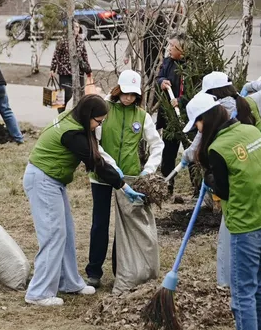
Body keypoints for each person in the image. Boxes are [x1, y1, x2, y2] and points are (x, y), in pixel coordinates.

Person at [24, 94, 146, 307]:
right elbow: (95, 162)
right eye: (98, 121)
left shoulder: (76, 120)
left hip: (53, 180)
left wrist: (112, 166)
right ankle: (38, 292)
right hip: (42, 180)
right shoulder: (71, 133)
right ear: (88, 115)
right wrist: (123, 185)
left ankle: (69, 282)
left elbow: (97, 151)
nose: (99, 125)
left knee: (67, 232)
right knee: (53, 235)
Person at [190, 92, 261, 330]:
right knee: (256, 288)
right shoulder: (249, 128)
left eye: (197, 123)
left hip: (246, 225)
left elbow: (224, 191)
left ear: (207, 119)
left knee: (242, 293)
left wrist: (209, 177)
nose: (197, 129)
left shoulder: (217, 148)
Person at [181, 71, 261, 294]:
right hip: (258, 170)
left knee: (233, 231)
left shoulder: (217, 118)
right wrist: (252, 85)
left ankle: (228, 283)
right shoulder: (248, 103)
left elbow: (200, 139)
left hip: (231, 173)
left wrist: (201, 168)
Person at [86, 70, 164, 288]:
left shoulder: (142, 116)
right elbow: (94, 142)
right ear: (118, 89)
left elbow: (157, 144)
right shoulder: (104, 109)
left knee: (125, 225)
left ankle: (121, 269)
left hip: (129, 178)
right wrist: (108, 165)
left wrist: (148, 170)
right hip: (102, 175)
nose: (128, 98)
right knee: (100, 224)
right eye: (125, 93)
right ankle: (94, 271)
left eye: (133, 94)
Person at [155, 33, 187, 195]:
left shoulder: (191, 66)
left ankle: (198, 186)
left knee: (192, 152)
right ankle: (168, 184)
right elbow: (158, 77)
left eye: (172, 46)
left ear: (181, 49)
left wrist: (181, 101)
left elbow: (196, 91)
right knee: (168, 153)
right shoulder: (168, 62)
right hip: (169, 117)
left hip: (188, 118)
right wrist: (162, 82)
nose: (168, 49)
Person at [49, 23, 92, 114]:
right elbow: (56, 55)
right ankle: (60, 114)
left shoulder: (80, 40)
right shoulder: (62, 40)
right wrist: (52, 69)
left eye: (77, 27)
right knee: (65, 94)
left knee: (80, 94)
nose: (75, 29)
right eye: (73, 27)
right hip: (65, 72)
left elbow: (84, 55)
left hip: (79, 71)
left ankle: (78, 115)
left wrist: (88, 69)